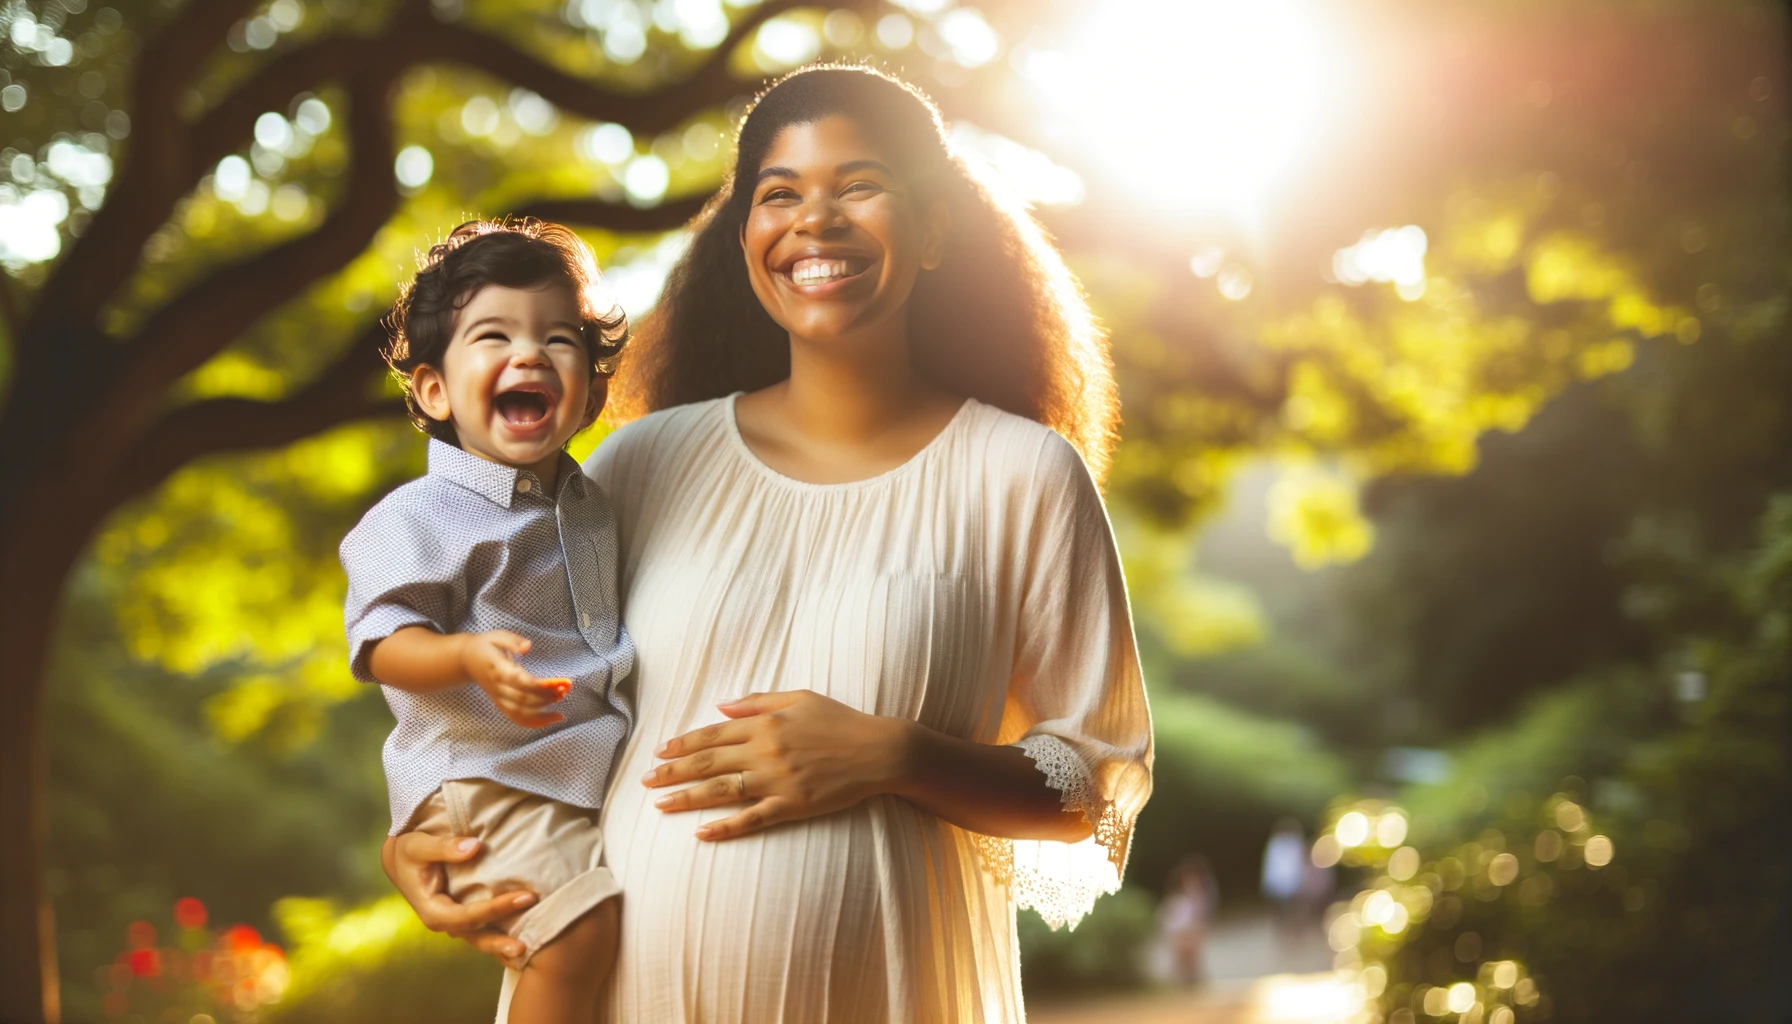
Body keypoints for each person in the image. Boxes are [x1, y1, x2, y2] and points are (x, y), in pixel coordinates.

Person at [382, 64, 1155, 1023]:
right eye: (779, 193)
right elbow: (512, 683)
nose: (815, 220)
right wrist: (420, 827)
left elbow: (1095, 782)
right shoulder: (636, 464)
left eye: (859, 186)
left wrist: (894, 754)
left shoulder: (1024, 476)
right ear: (745, 236)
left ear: (933, 230)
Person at [341, 219, 634, 1024]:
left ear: (593, 390)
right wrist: (464, 656)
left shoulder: (593, 503)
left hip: (559, 777)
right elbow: (382, 642)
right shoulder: (419, 514)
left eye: (559, 338)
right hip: (480, 779)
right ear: (434, 390)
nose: (531, 354)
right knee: (576, 929)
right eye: (494, 335)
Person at [1157, 855, 1218, 986]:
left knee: (1193, 966)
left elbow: (1200, 915)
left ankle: (1195, 986)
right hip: (1180, 933)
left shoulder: (1198, 895)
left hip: (1190, 932)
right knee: (1182, 967)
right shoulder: (1177, 898)